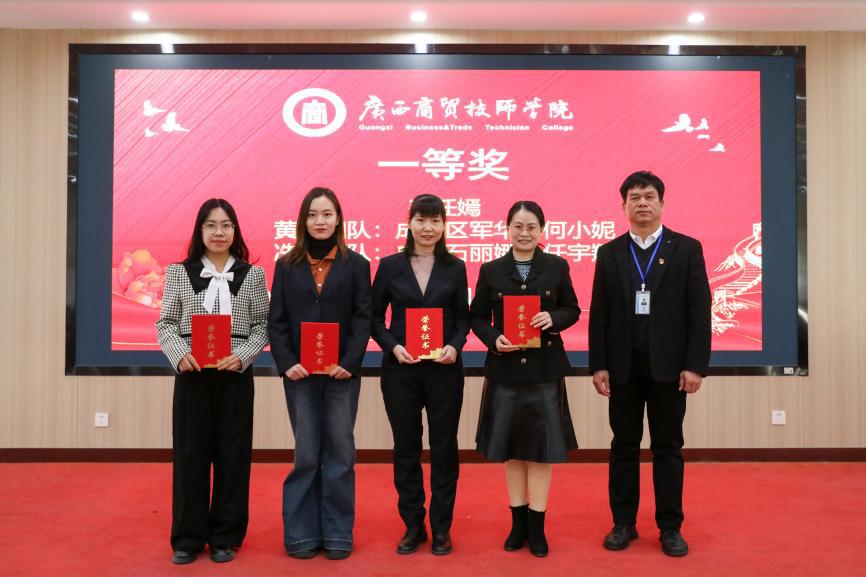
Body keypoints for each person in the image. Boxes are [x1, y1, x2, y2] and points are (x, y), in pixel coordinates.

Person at [589, 170, 711, 557]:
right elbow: (600, 314)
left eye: (649, 197)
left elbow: (700, 311)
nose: (642, 203)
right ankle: (623, 523)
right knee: (623, 446)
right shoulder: (610, 252)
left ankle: (670, 527)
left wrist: (695, 365)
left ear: (662, 203)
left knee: (668, 447)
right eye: (634, 198)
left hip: (670, 371)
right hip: (622, 369)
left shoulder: (686, 249)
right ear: (623, 206)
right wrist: (598, 364)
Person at [156, 198, 269, 565]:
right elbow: (165, 323)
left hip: (234, 375)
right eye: (211, 225)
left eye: (225, 225)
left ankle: (225, 536)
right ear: (200, 230)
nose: (219, 232)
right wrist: (179, 354)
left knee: (233, 455)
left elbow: (262, 326)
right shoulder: (179, 272)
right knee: (190, 454)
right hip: (192, 375)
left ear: (235, 231)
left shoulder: (252, 275)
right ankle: (188, 537)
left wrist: (243, 355)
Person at [470, 200, 580, 557]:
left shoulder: (556, 266)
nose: (524, 232)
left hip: (544, 370)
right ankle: (517, 525)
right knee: (512, 451)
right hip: (505, 371)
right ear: (507, 229)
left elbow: (572, 309)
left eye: (532, 226)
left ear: (541, 230)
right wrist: (493, 338)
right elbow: (476, 317)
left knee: (542, 452)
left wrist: (554, 319)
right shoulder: (491, 270)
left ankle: (537, 526)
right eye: (518, 226)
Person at [268, 187, 372, 561]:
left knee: (341, 454)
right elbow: (276, 320)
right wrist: (287, 362)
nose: (320, 221)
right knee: (307, 454)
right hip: (300, 376)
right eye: (313, 215)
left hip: (341, 374)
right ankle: (301, 536)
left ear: (338, 219)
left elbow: (363, 318)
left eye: (327, 214)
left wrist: (350, 361)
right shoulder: (286, 265)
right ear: (303, 220)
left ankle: (338, 534)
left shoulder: (357, 264)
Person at [372, 194, 470, 556]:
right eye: (421, 220)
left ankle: (442, 527)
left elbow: (463, 318)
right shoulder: (389, 266)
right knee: (406, 448)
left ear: (444, 225)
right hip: (402, 371)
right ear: (409, 222)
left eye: (435, 220)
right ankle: (413, 525)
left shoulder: (455, 267)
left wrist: (455, 346)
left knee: (444, 448)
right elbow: (373, 317)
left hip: (444, 371)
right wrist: (392, 346)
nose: (428, 228)